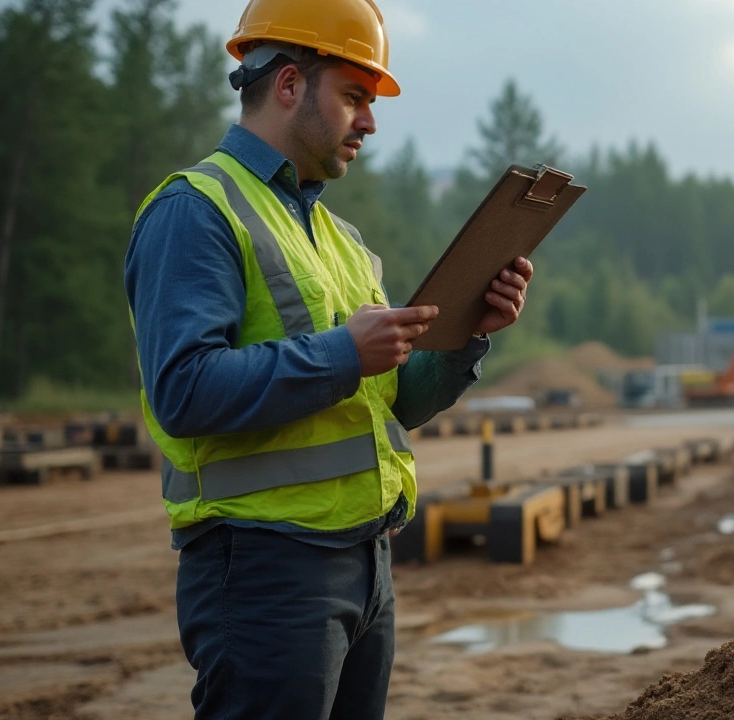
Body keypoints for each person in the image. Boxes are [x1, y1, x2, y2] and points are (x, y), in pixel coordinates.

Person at [123, 1, 532, 717]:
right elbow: (182, 391)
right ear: (287, 85)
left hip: (365, 563)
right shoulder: (196, 210)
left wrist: (470, 332)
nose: (370, 123)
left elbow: (394, 399)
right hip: (263, 568)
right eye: (354, 97)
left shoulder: (340, 238)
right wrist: (343, 352)